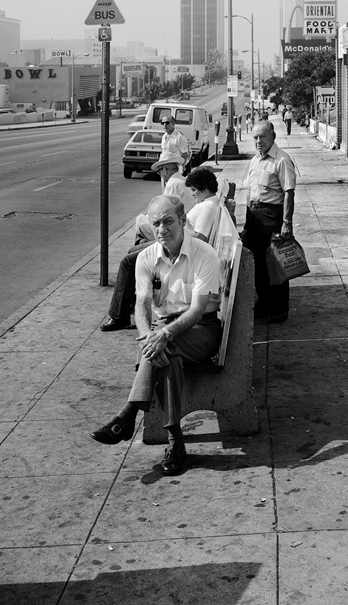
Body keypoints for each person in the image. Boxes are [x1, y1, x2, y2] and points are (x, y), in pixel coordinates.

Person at [89, 195, 222, 476]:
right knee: (168, 359)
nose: (162, 230)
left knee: (166, 346)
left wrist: (165, 335)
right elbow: (141, 305)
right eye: (157, 223)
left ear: (183, 221)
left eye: (169, 221)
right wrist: (148, 335)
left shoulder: (203, 254)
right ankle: (175, 442)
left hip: (201, 330)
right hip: (164, 332)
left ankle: (128, 415)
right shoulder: (147, 258)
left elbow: (198, 310)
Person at [100, 151, 191, 332]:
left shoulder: (172, 186)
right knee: (137, 245)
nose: (160, 175)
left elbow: (161, 218)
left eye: (160, 171)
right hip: (178, 234)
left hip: (174, 238)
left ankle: (119, 315)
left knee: (128, 260)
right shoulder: (181, 182)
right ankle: (134, 294)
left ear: (166, 169)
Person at [241, 120, 296, 323]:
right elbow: (250, 191)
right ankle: (264, 305)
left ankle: (279, 310)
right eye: (255, 137)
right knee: (257, 265)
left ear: (273, 136)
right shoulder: (256, 160)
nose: (258, 141)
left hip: (272, 217)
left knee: (275, 264)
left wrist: (286, 223)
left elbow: (289, 193)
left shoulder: (281, 160)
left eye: (262, 136)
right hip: (255, 218)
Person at [185, 166, 222, 243]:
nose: (192, 194)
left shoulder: (207, 207)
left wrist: (182, 220)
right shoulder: (208, 203)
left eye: (194, 190)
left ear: (205, 188)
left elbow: (199, 238)